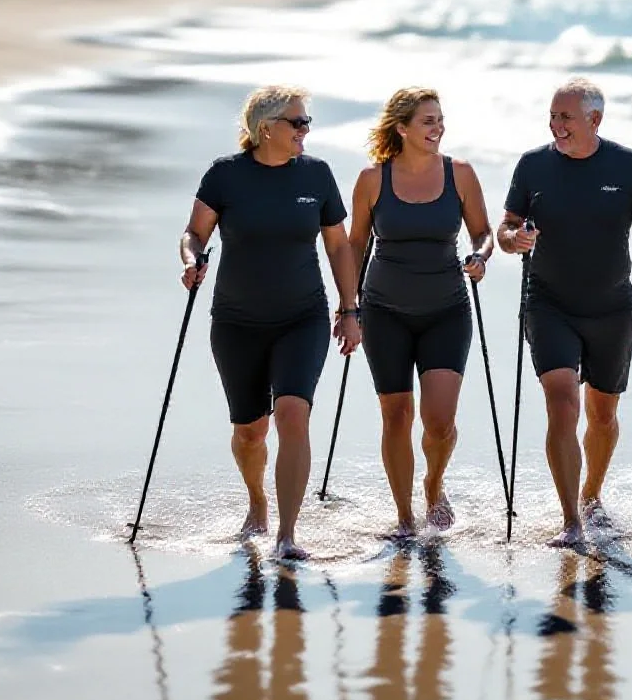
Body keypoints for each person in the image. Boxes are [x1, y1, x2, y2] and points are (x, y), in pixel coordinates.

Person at [180, 85, 360, 561]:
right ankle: (257, 501)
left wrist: (350, 309)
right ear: (266, 128)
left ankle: (287, 533)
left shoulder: (317, 176)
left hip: (302, 317)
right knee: (250, 432)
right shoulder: (225, 175)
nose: (305, 131)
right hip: (237, 323)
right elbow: (195, 234)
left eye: (307, 123)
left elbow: (339, 246)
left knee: (293, 414)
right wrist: (191, 260)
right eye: (296, 123)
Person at [498, 77, 632, 547]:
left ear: (595, 119)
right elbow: (506, 229)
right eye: (552, 116)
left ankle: (592, 495)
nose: (556, 125)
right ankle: (571, 519)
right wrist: (514, 241)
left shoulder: (628, 165)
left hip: (612, 308)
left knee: (603, 415)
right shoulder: (533, 166)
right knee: (561, 404)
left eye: (565, 117)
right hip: (549, 303)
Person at [349, 87, 493, 539]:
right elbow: (355, 244)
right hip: (384, 311)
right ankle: (405, 516)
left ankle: (433, 485)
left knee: (440, 422)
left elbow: (483, 232)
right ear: (402, 128)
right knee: (395, 414)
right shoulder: (372, 180)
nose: (438, 128)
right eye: (428, 121)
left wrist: (480, 256)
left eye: (440, 120)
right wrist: (347, 305)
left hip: (446, 310)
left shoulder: (461, 174)